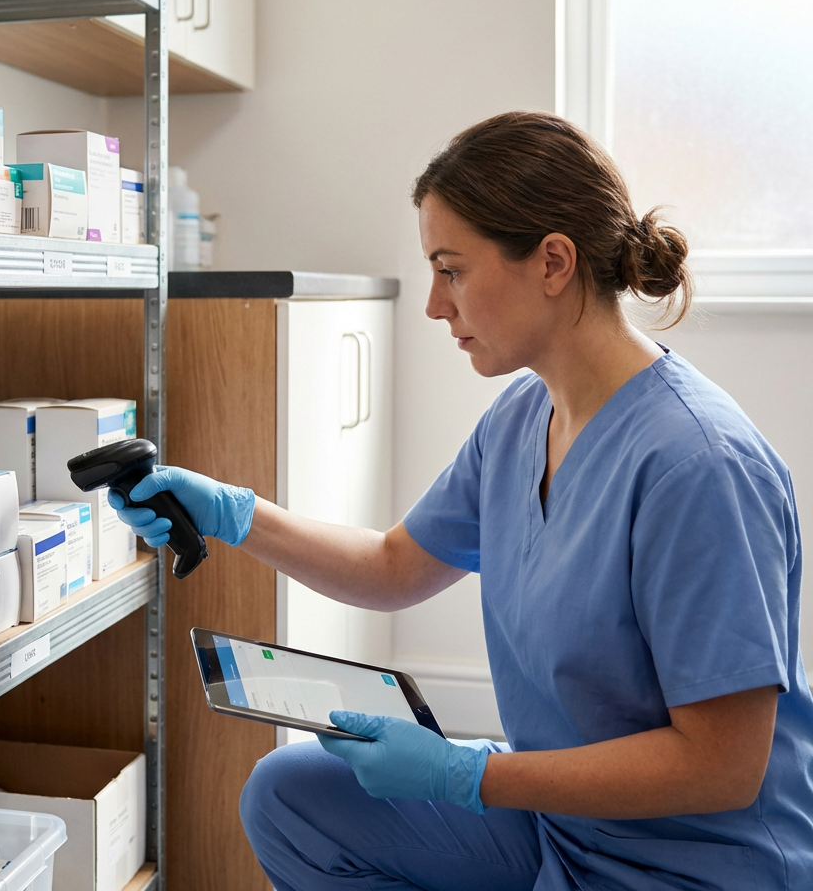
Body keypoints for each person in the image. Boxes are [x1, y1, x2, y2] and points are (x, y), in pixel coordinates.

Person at [113, 111, 813, 890]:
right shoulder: (523, 419)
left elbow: (722, 767)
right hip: (563, 827)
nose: (434, 306)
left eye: (451, 269)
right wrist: (234, 514)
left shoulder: (698, 467)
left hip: (689, 867)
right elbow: (393, 567)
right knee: (290, 796)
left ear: (553, 262)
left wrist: (467, 777)